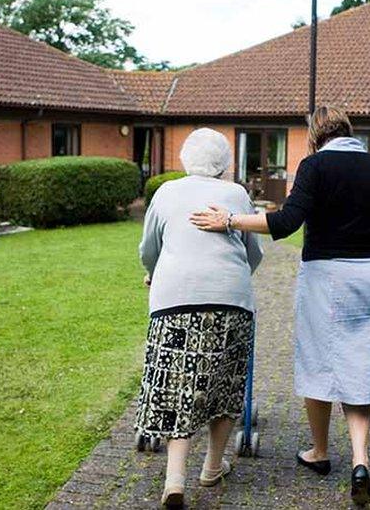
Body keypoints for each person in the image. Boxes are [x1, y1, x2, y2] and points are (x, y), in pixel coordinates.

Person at [190, 106, 370, 506]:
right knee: (359, 363)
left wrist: (231, 220)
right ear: (348, 131)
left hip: (326, 276)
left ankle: (320, 452)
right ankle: (360, 460)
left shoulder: (314, 165)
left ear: (315, 134)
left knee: (320, 359)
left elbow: (286, 222)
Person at [136, 128, 263, 508]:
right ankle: (210, 468)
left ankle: (175, 480)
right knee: (224, 385)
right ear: (225, 165)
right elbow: (253, 253)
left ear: (184, 160)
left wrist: (153, 271)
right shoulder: (237, 194)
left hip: (174, 302)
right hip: (230, 302)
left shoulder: (165, 193)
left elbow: (149, 250)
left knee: (178, 386)